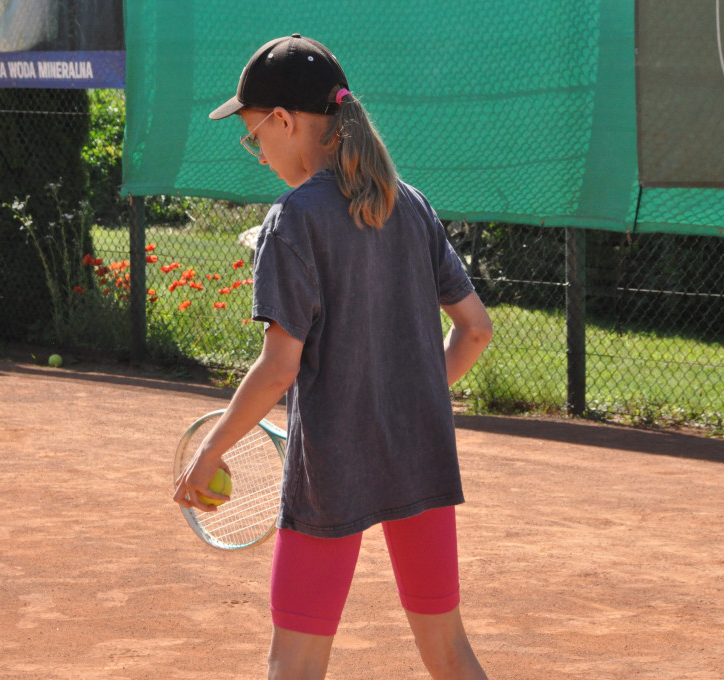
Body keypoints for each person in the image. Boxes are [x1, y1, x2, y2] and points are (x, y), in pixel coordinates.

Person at [173, 34, 494, 680]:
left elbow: (278, 369)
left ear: (286, 123)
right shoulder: (413, 206)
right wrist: (407, 402)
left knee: (294, 663)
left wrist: (212, 453)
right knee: (449, 651)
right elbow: (476, 330)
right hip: (421, 458)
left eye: (253, 135)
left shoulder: (291, 220)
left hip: (331, 471)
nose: (257, 154)